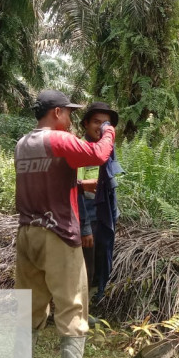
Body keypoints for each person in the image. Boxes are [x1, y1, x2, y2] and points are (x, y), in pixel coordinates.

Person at [14, 89, 115, 358]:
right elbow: (98, 154)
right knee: (72, 304)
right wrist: (108, 131)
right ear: (56, 113)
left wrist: (79, 184)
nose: (71, 120)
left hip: (27, 234)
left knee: (29, 306)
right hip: (58, 235)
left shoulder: (22, 144)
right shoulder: (59, 140)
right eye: (69, 113)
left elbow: (46, 176)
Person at [77, 101, 123, 305]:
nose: (101, 127)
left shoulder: (107, 149)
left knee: (101, 261)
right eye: (97, 122)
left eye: (106, 123)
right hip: (87, 216)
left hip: (104, 217)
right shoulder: (79, 149)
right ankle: (79, 310)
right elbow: (73, 189)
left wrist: (115, 214)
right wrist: (84, 227)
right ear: (86, 123)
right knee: (85, 265)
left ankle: (96, 300)